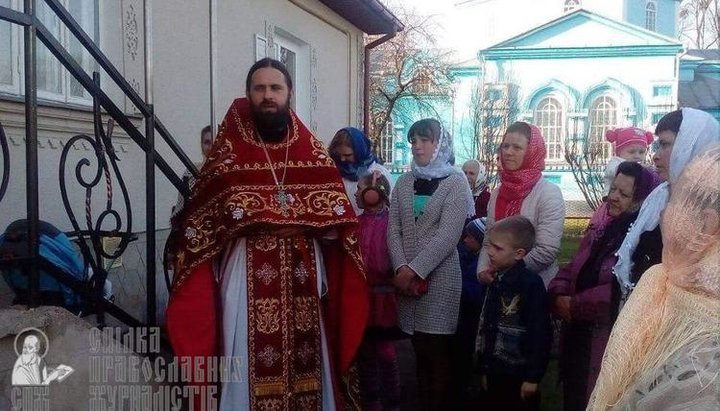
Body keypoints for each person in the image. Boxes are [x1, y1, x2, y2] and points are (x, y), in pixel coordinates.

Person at [165, 58, 368, 410]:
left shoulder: (313, 153)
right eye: (259, 88)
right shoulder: (227, 157)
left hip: (303, 275)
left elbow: (339, 222)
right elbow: (200, 222)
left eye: (276, 88)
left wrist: (315, 226)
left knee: (308, 360)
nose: (268, 96)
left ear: (290, 93)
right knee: (243, 359)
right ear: (248, 94)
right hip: (244, 276)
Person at [588, 147, 720, 410]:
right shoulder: (677, 289)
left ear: (707, 223)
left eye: (675, 202)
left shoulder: (700, 333)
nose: (663, 215)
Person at [547, 162, 660, 411]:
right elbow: (576, 265)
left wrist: (574, 305)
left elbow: (622, 290)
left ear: (640, 200)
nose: (613, 197)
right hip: (578, 336)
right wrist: (557, 292)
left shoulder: (642, 240)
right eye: (613, 189)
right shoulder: (604, 227)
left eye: (624, 194)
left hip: (605, 340)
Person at [386, 118, 473, 411]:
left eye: (425, 140)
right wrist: (400, 267)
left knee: (436, 352)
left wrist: (414, 269)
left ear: (440, 144)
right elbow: (393, 229)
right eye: (413, 140)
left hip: (441, 280)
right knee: (417, 351)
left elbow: (448, 235)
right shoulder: (404, 181)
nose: (417, 146)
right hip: (407, 282)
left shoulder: (455, 182)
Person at [613, 108, 720, 301]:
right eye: (656, 146)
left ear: (691, 146)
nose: (655, 156)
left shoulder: (709, 207)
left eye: (665, 145)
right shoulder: (659, 196)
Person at [477, 121, 565, 288]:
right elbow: (489, 239)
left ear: (532, 152)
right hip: (496, 288)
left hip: (533, 290)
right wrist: (482, 271)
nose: (509, 152)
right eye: (505, 146)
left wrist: (506, 274)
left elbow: (546, 250)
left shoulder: (548, 193)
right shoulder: (498, 192)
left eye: (517, 148)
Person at [478, 216, 552, 411]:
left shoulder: (530, 285)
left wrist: (533, 377)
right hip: (496, 371)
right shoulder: (496, 281)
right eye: (490, 245)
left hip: (519, 374)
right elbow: (489, 328)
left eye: (498, 248)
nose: (490, 252)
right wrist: (485, 369)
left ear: (519, 253)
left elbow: (540, 333)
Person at [354, 171, 400, 411]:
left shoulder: (392, 224)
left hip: (384, 299)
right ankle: (372, 402)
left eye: (360, 188)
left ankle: (393, 401)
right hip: (363, 298)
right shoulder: (355, 224)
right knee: (366, 352)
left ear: (373, 193)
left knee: (385, 351)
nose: (356, 193)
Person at [449, 217, 487, 409]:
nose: (465, 240)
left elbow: (475, 293)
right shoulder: (466, 256)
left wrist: (455, 286)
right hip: (462, 320)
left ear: (480, 240)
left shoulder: (480, 266)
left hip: (471, 322)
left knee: (466, 359)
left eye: (470, 237)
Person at [329, 127, 392, 216]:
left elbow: (389, 205)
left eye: (347, 155)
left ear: (360, 151)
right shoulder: (334, 171)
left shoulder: (379, 172)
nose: (342, 159)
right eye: (339, 155)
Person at [171, 125, 214, 219]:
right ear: (201, 145)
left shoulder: (229, 170)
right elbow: (182, 204)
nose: (211, 147)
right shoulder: (191, 170)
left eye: (215, 142)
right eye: (207, 142)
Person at [602, 127, 654, 196]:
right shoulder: (615, 162)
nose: (637, 156)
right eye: (631, 152)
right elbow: (617, 172)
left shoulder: (638, 165)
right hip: (611, 197)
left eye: (641, 152)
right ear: (619, 152)